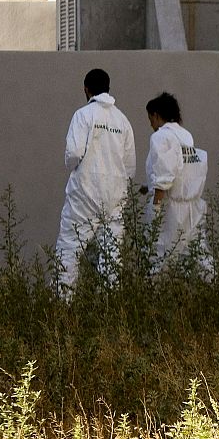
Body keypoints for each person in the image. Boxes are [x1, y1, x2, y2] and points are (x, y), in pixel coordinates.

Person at [56, 68, 135, 298]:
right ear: (108, 89)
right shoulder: (123, 121)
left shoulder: (83, 115)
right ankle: (108, 312)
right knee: (111, 255)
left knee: (70, 249)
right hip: (115, 198)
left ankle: (62, 304)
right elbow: (129, 166)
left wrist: (78, 168)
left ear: (86, 89)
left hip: (85, 194)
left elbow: (72, 154)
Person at [144, 92, 213, 277]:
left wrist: (155, 210)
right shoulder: (186, 138)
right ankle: (215, 291)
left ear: (156, 115)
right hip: (193, 207)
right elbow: (182, 170)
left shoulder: (161, 137)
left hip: (170, 208)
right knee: (198, 253)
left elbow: (165, 176)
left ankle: (153, 297)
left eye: (150, 118)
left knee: (159, 253)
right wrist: (148, 185)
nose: (150, 124)